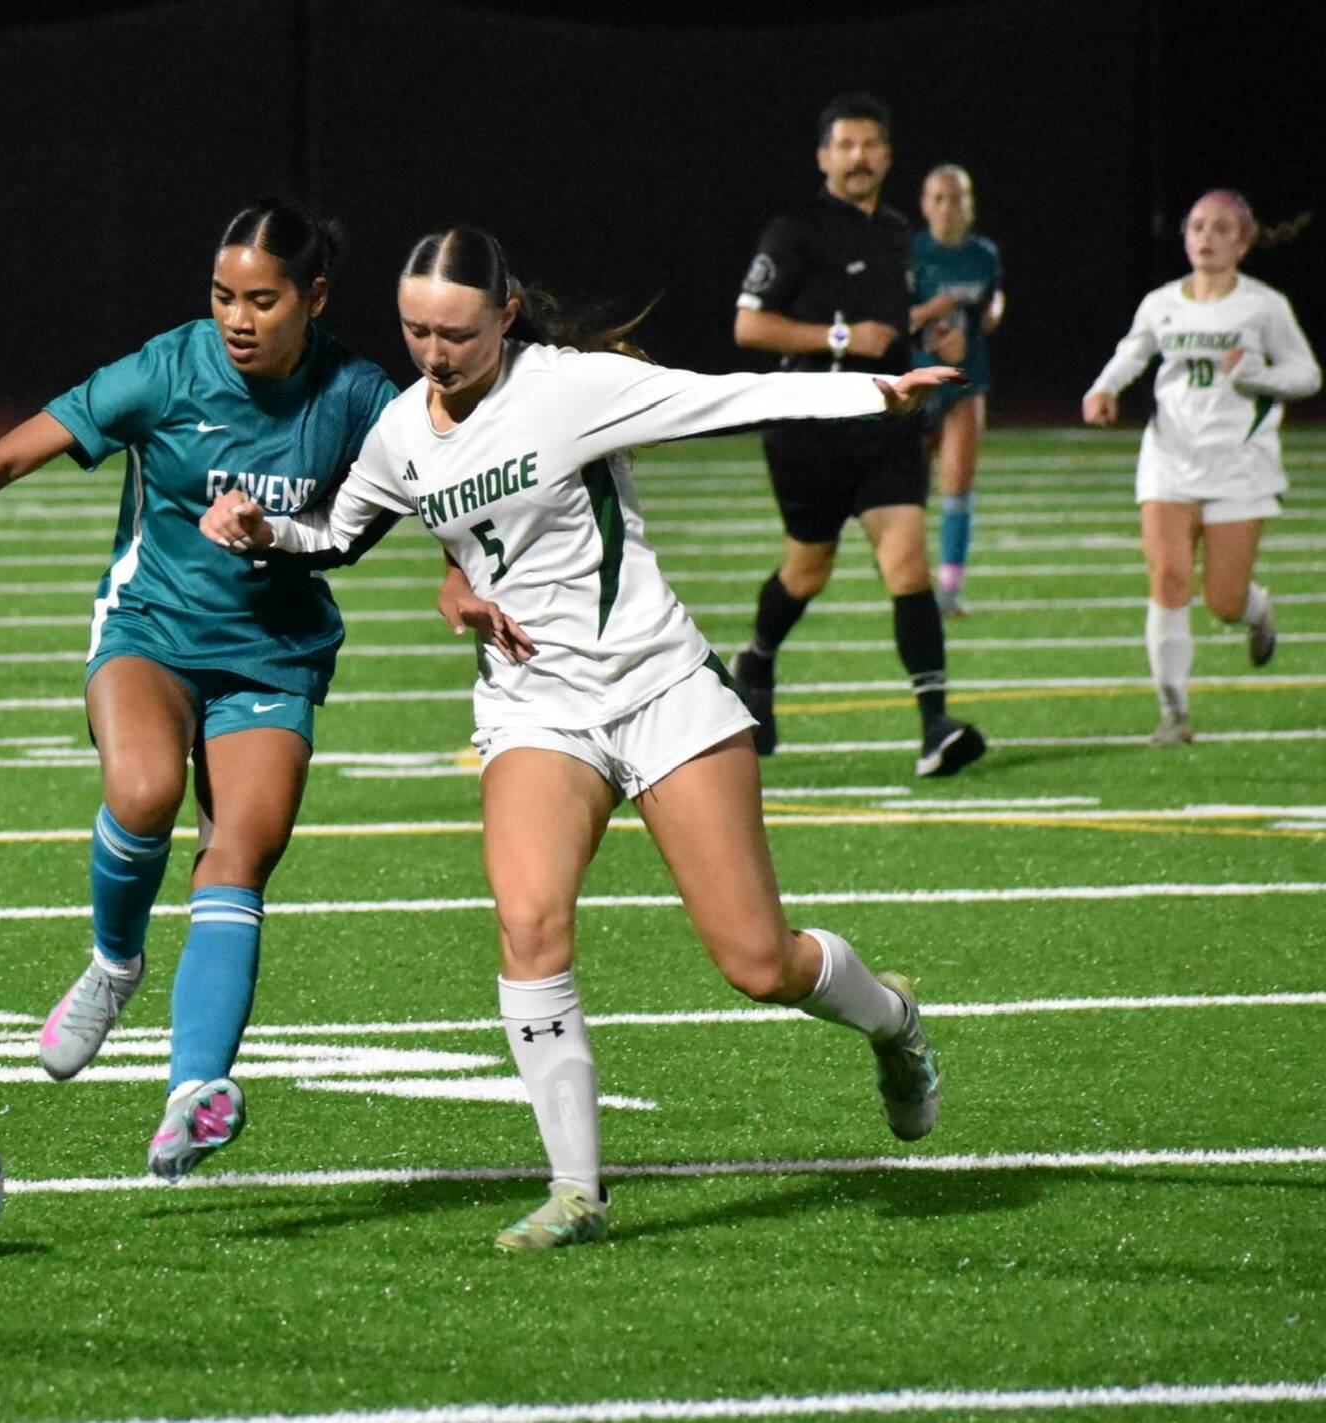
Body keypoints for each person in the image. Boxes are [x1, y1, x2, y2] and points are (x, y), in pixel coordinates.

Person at [200, 226, 956, 1250]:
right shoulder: (397, 433)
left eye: (454, 333)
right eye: (415, 329)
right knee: (527, 923)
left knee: (755, 962)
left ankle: (891, 1024)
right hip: (534, 707)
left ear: (503, 316)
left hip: (655, 683)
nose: (431, 351)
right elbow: (337, 534)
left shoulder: (567, 388)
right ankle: (576, 1191)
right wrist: (264, 533)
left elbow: (721, 395)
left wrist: (869, 392)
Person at [0, 197, 398, 1179]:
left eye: (261, 299)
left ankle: (190, 1094)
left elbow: (445, 479)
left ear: (315, 298)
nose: (236, 319)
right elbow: (7, 453)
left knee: (236, 855)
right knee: (141, 793)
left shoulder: (356, 395)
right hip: (150, 631)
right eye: (221, 296)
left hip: (273, 653)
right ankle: (114, 964)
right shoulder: (165, 370)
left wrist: (468, 572)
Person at [729, 92, 986, 777]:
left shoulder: (903, 232)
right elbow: (748, 327)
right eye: (845, 145)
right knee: (807, 572)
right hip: (808, 421)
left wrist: (935, 332)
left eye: (870, 145)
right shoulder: (793, 230)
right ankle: (755, 659)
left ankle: (936, 725)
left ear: (888, 156)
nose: (859, 157)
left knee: (907, 564)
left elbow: (898, 318)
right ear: (824, 157)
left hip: (884, 419)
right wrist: (840, 336)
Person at [1082, 190, 1319, 745]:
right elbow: (1133, 351)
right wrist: (1103, 389)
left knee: (1223, 601)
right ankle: (1174, 712)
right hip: (1169, 458)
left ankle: (1257, 610)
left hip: (1239, 463)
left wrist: (1255, 377)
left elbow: (1306, 375)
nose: (1205, 238)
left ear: (1243, 242)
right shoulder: (1162, 302)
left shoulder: (1264, 307)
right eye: (1196, 227)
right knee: (1167, 579)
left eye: (1219, 229)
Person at [909, 165, 1004, 617]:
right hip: (916, 383)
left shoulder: (984, 254)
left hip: (966, 380)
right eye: (940, 197)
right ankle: (909, 579)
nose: (949, 207)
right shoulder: (912, 252)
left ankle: (949, 591)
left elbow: (993, 298)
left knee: (958, 487)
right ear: (926, 204)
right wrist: (931, 311)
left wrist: (992, 313)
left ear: (971, 204)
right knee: (908, 488)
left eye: (958, 197)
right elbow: (895, 321)